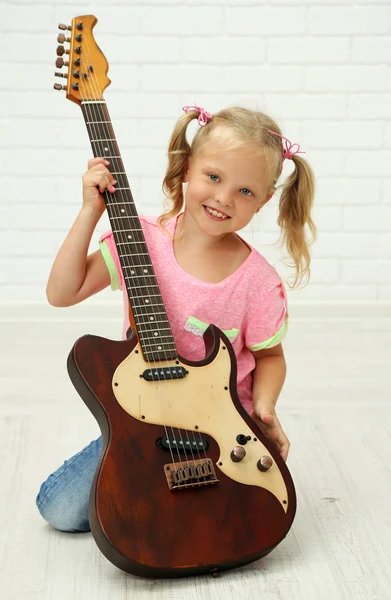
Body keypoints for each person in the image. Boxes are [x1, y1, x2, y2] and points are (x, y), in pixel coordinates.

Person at [36, 105, 316, 532]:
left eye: (245, 191)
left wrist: (263, 407)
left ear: (263, 202)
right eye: (214, 177)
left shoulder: (258, 282)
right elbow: (62, 292)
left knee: (244, 520)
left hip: (220, 430)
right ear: (187, 169)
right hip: (142, 415)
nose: (224, 198)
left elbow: (271, 357)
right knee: (58, 509)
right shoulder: (139, 239)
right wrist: (90, 210)